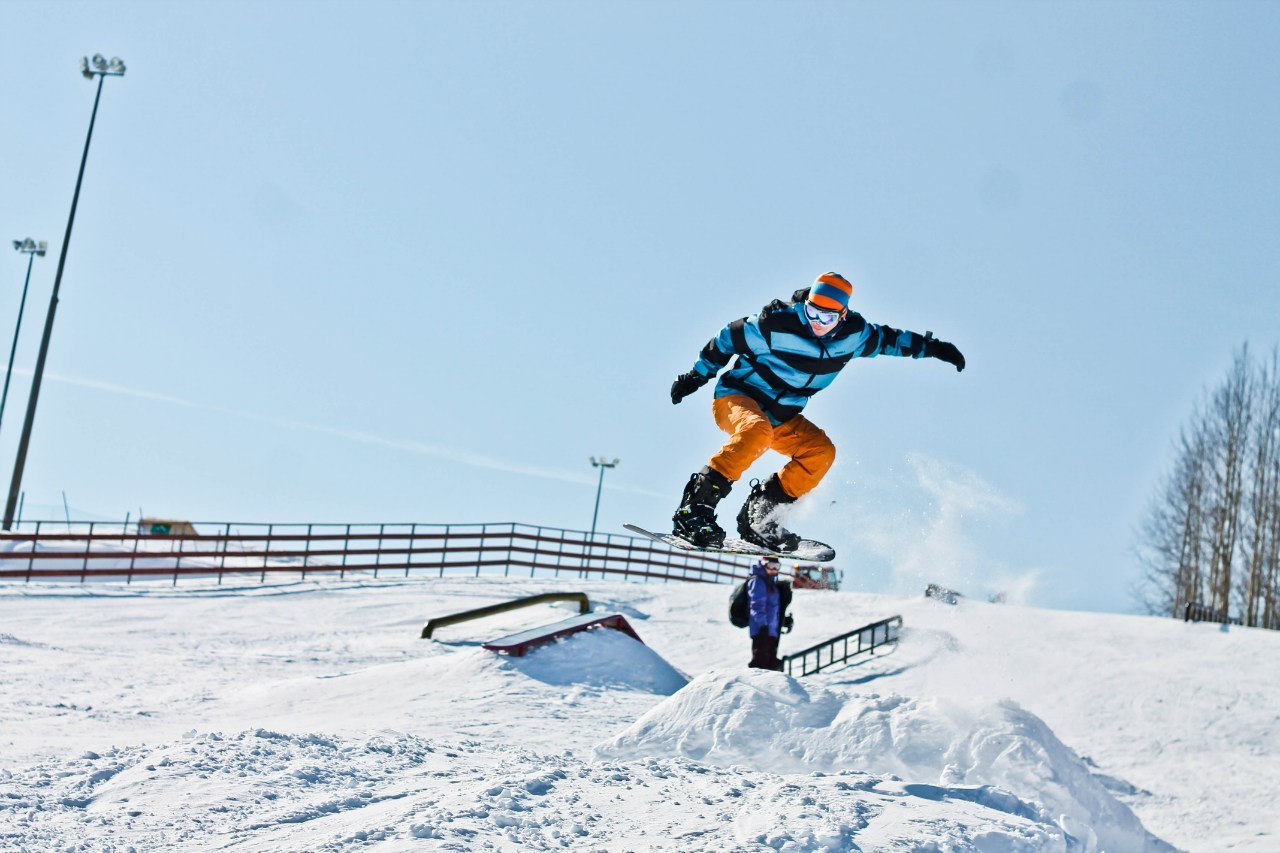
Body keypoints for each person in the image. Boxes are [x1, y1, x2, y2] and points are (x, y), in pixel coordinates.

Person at [670, 272, 965, 551]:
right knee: (756, 431)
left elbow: (892, 340)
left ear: (843, 315)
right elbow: (726, 339)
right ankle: (693, 510)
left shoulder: (854, 336)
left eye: (827, 317)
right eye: (812, 313)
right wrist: (695, 377)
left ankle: (760, 516)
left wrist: (934, 347)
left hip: (781, 415)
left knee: (820, 452)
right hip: (738, 397)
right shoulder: (776, 323)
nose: (817, 323)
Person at [747, 556, 785, 670]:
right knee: (760, 665)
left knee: (771, 666)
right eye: (771, 566)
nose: (773, 569)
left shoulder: (771, 583)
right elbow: (756, 605)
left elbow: (773, 608)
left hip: (771, 631)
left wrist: (784, 620)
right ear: (763, 564)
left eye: (776, 567)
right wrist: (762, 625)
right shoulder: (758, 581)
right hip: (762, 630)